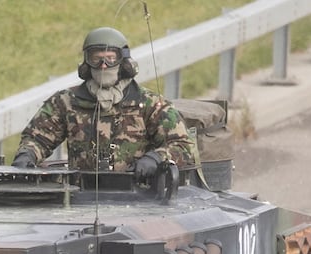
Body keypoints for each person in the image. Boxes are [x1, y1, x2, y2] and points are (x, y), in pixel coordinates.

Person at [12, 27, 197, 182]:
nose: (103, 65)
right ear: (86, 62)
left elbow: (184, 145)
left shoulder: (149, 103)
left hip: (139, 195)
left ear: (124, 62)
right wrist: (26, 155)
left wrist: (155, 159)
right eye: (96, 58)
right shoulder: (66, 102)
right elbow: (37, 138)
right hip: (80, 195)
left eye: (110, 58)